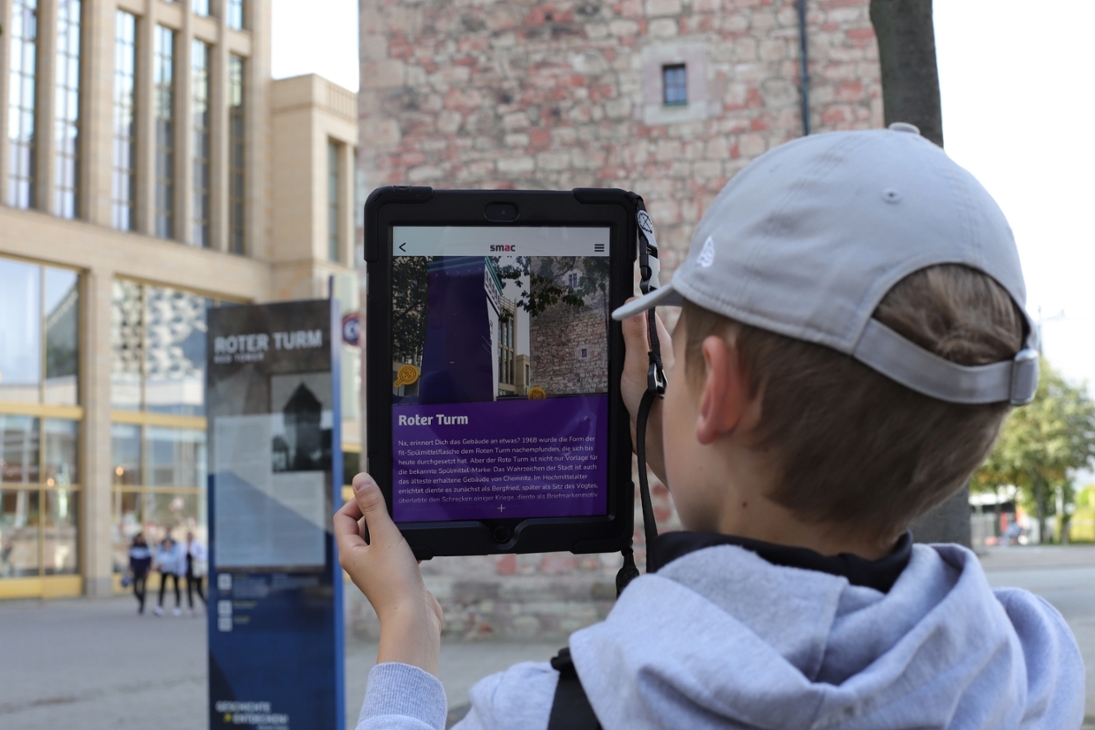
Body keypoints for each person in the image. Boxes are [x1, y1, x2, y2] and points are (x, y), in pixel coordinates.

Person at [335, 127, 1085, 729]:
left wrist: (407, 628)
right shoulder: (1032, 667)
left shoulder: (545, 712)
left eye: (681, 355)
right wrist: (681, 430)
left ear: (718, 390)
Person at [153, 534, 183, 617]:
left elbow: (174, 559)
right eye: (165, 543)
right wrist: (159, 564)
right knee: (162, 588)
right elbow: (158, 557)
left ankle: (177, 606)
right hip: (164, 570)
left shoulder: (175, 549)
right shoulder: (161, 549)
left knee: (176, 588)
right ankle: (160, 606)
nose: (167, 544)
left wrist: (162, 563)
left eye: (168, 543)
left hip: (174, 570)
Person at [127, 533, 152, 614]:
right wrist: (130, 569)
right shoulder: (133, 548)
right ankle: (141, 601)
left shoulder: (146, 548)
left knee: (143, 589)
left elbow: (149, 560)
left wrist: (148, 570)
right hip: (136, 570)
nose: (139, 540)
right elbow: (131, 560)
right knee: (135, 590)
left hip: (143, 570)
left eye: (140, 538)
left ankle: (142, 605)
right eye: (138, 538)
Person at [184, 531, 207, 616]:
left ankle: (207, 604)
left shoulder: (198, 544)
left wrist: (196, 557)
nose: (189, 538)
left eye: (190, 536)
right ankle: (191, 608)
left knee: (198, 589)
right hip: (189, 570)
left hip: (196, 569)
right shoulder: (184, 545)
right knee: (189, 590)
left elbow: (204, 554)